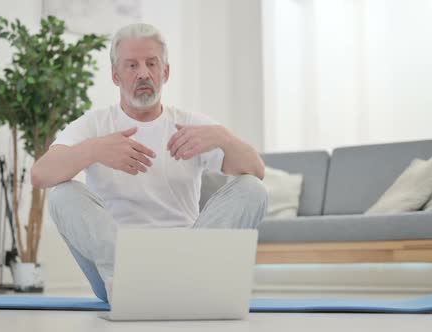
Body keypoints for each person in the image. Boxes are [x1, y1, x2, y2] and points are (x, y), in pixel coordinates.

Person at [31, 23, 267, 303]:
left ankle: (190, 280)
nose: (143, 73)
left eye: (151, 63)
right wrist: (93, 150)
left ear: (165, 72)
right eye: (132, 65)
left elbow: (256, 171)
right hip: (116, 269)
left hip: (187, 259)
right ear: (115, 75)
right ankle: (130, 282)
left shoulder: (190, 124)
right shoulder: (95, 124)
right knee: (62, 194)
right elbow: (40, 175)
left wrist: (224, 138)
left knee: (253, 189)